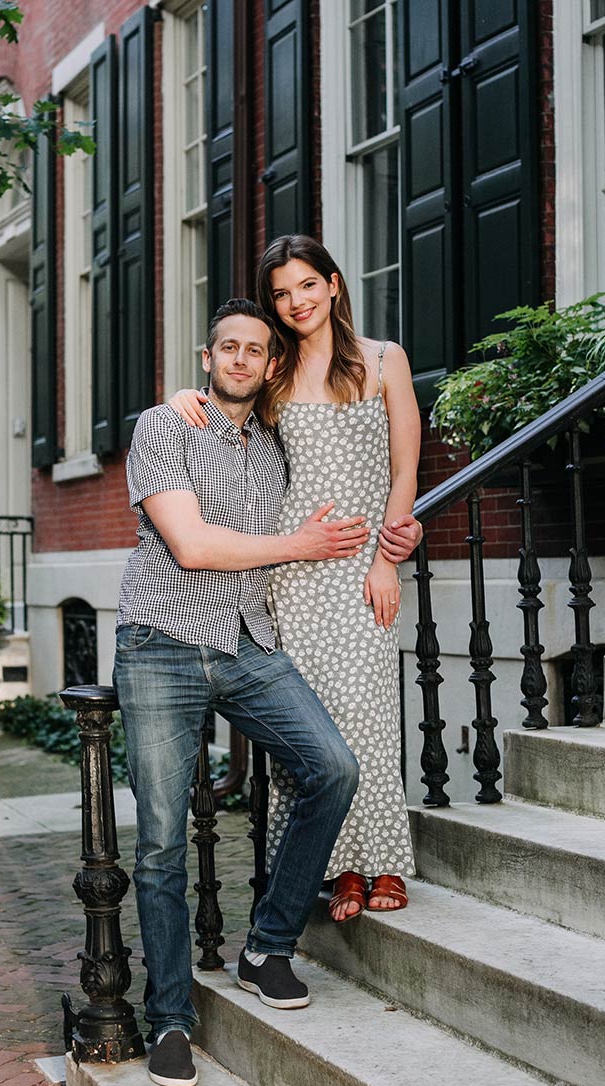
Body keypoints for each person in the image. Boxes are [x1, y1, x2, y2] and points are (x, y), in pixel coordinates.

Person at [115, 297, 365, 1086]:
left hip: (251, 643)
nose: (242, 359)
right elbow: (188, 545)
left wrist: (399, 533)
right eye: (229, 347)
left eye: (256, 349)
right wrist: (296, 545)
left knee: (333, 768)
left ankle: (266, 949)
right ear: (207, 356)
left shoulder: (276, 441)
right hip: (162, 642)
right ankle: (171, 1021)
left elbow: (352, 447)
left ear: (269, 364)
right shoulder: (164, 427)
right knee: (160, 843)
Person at [169, 236, 423, 925]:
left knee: (367, 711)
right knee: (315, 731)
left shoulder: (383, 360)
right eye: (281, 292)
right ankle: (336, 868)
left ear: (334, 285)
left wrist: (386, 556)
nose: (295, 302)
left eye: (307, 285)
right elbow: (220, 404)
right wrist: (180, 398)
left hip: (362, 569)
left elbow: (405, 469)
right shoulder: (273, 373)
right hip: (291, 576)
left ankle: (384, 862)